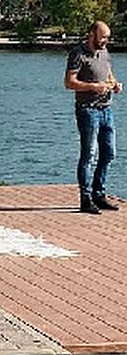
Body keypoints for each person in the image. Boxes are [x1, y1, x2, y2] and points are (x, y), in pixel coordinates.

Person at [64, 20, 123, 214]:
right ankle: (86, 198)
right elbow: (69, 82)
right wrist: (92, 87)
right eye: (103, 37)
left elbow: (109, 75)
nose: (106, 40)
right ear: (92, 34)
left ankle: (99, 193)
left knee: (109, 153)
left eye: (107, 37)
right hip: (88, 110)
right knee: (89, 154)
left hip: (107, 109)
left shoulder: (104, 53)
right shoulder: (78, 54)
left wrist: (115, 84)